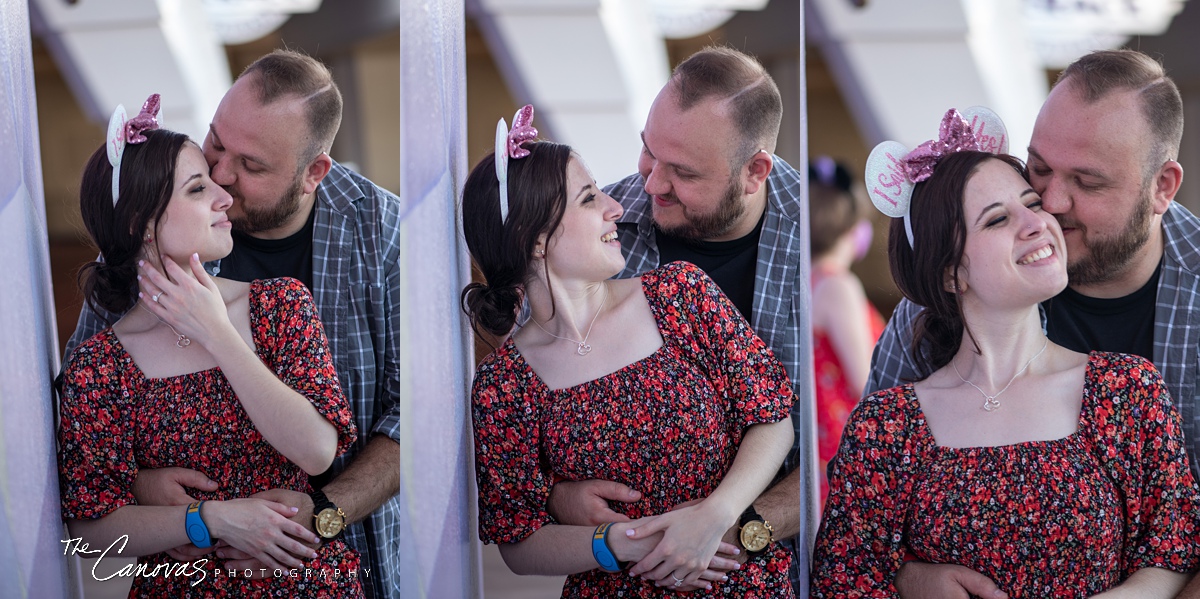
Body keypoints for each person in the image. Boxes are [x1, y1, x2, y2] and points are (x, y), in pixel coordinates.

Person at [812, 108, 1200, 597]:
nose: (1037, 222)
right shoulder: (886, 426)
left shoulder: (1126, 391)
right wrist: (907, 582)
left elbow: (1174, 551)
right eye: (997, 219)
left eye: (1032, 203)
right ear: (953, 273)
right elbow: (844, 578)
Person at [63, 51, 403, 598]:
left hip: (334, 554)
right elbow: (83, 472)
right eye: (216, 143)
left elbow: (411, 414)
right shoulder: (116, 314)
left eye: (251, 165)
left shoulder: (381, 236)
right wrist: (150, 492)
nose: (223, 177)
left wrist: (318, 517)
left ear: (313, 172)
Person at [462, 106, 796, 597]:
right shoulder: (502, 386)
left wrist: (715, 515)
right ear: (533, 240)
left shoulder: (681, 294)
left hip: (742, 585)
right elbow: (520, 543)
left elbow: (773, 420)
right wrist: (622, 542)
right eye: (587, 197)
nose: (615, 206)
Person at [546, 45, 814, 595]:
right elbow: (532, 379)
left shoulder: (821, 242)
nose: (650, 185)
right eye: (649, 152)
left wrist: (736, 526)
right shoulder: (599, 226)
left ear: (754, 172)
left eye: (684, 173)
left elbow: (845, 446)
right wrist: (557, 493)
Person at [807, 157, 885, 505]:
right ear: (856, 230)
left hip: (817, 440)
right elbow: (866, 381)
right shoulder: (839, 285)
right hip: (842, 444)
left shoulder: (804, 280)